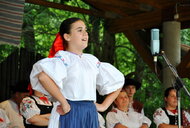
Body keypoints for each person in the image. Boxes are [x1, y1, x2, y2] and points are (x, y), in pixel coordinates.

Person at [30, 17, 124, 128]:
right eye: (80, 30)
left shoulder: (92, 60)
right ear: (67, 36)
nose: (85, 34)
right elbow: (43, 77)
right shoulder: (63, 58)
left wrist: (103, 106)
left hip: (89, 111)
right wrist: (63, 102)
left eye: (86, 30)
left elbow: (118, 80)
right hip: (69, 110)